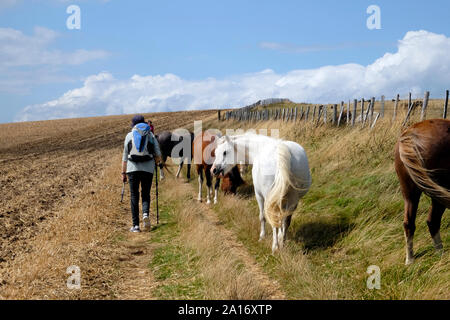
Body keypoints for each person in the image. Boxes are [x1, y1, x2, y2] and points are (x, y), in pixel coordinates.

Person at [122, 115, 162, 232]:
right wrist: (157, 162)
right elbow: (158, 153)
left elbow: (124, 156)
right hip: (148, 169)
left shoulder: (129, 136)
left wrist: (123, 173)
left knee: (134, 195)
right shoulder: (150, 135)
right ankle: (145, 214)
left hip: (132, 169)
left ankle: (135, 226)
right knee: (145, 193)